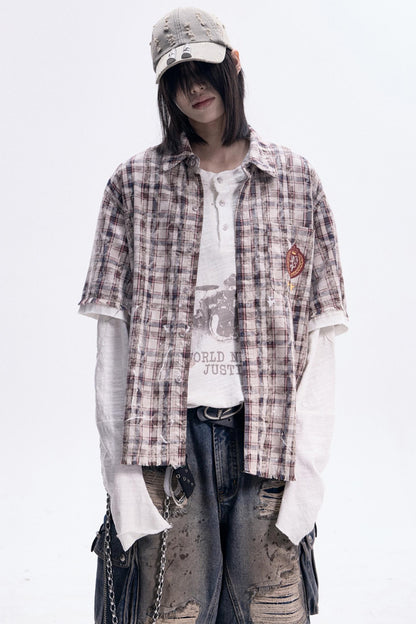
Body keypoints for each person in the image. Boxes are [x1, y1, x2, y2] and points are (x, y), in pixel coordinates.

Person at [79, 7, 348, 624]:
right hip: (165, 444)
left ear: (234, 64)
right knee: (172, 611)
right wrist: (121, 479)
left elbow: (320, 335)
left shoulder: (295, 180)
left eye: (203, 68)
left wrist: (309, 475)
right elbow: (112, 338)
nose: (193, 87)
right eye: (177, 78)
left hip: (269, 438)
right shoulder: (133, 184)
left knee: (273, 610)